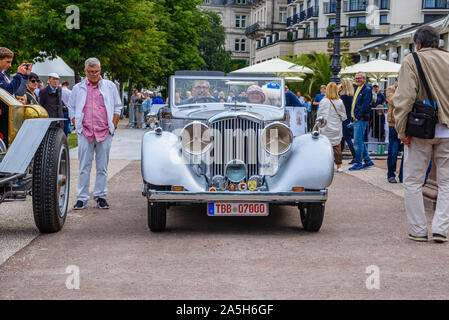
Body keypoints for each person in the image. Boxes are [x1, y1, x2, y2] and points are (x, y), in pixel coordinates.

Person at [393, 26, 449, 243]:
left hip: (420, 129)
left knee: (413, 181)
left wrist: (401, 130)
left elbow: (405, 98)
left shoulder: (412, 60)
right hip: (447, 131)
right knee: (446, 183)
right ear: (438, 42)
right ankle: (440, 229)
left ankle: (418, 229)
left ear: (418, 44)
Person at [68, 57, 122, 210]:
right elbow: (71, 107)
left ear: (100, 70)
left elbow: (118, 106)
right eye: (91, 72)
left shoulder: (109, 86)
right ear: (85, 71)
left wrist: (114, 125)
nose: (94, 74)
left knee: (102, 167)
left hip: (104, 131)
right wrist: (75, 123)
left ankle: (100, 196)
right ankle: (82, 198)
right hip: (85, 131)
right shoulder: (78, 88)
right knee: (84, 166)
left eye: (97, 71)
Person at [317, 82, 347, 172]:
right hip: (336, 127)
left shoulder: (323, 101)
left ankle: (325, 165)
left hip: (325, 127)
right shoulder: (339, 101)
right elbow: (343, 116)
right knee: (337, 146)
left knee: (324, 146)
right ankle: (339, 166)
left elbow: (319, 115)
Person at [348, 72, 375, 171]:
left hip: (361, 119)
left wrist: (358, 116)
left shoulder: (367, 89)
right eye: (356, 78)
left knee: (357, 142)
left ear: (364, 79)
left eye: (359, 78)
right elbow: (355, 103)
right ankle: (368, 161)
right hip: (356, 118)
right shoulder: (357, 88)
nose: (357, 80)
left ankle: (358, 163)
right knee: (360, 141)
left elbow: (365, 104)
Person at [386, 80, 403, 183]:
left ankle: (402, 175)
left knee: (407, 152)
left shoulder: (410, 86)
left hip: (407, 123)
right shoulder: (391, 88)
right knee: (393, 150)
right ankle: (391, 174)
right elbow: (393, 101)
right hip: (394, 123)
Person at [339, 79, 356, 164]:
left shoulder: (343, 97)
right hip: (348, 118)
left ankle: (355, 156)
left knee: (346, 138)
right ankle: (339, 156)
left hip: (344, 119)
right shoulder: (351, 96)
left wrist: (338, 90)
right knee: (343, 138)